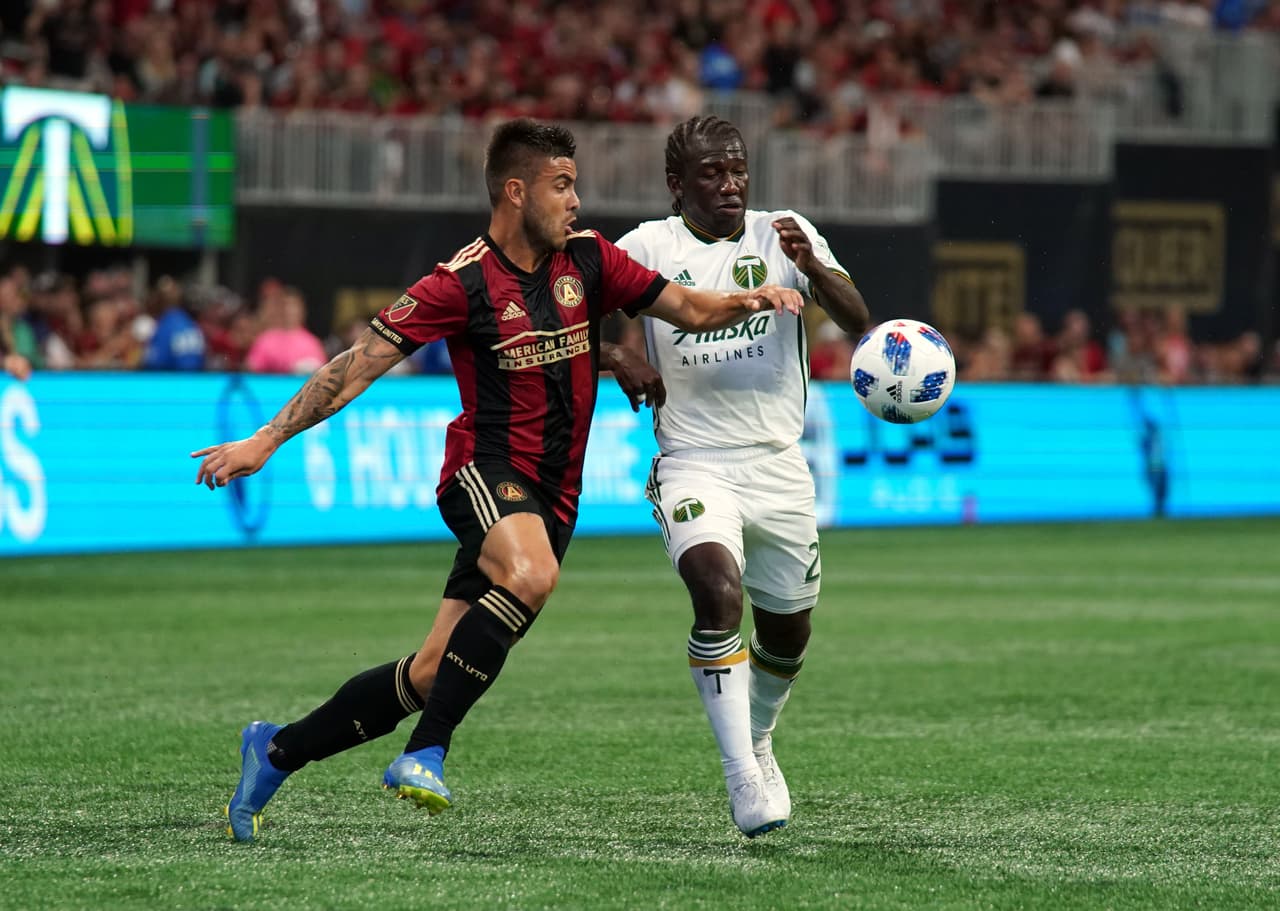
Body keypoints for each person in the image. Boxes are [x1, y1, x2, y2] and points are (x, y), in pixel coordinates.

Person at [191, 118, 803, 842]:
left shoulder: (591, 259)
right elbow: (355, 365)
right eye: (562, 185)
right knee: (532, 573)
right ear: (516, 191)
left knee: (429, 670)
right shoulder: (461, 282)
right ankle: (425, 751)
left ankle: (275, 748)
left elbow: (689, 308)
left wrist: (754, 298)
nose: (576, 201)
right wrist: (265, 439)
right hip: (484, 474)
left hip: (553, 499)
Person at [603, 115, 869, 837]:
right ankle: (742, 778)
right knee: (717, 593)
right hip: (692, 461)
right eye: (711, 175)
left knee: (788, 633)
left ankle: (758, 737)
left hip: (779, 464)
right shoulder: (648, 247)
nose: (729, 186)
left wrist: (810, 266)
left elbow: (857, 318)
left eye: (737, 171)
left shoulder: (784, 231)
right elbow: (565, 310)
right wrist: (614, 355)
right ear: (676, 186)